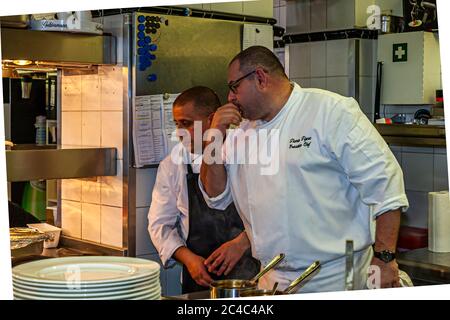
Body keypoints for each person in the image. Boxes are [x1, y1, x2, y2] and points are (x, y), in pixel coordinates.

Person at [199, 46, 409, 293]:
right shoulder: (240, 132)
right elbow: (215, 197)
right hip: (271, 277)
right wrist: (213, 137)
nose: (230, 97)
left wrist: (385, 259)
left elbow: (386, 185)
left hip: (336, 275)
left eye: (234, 87)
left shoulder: (330, 111)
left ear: (260, 77)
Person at [148, 86, 260, 294]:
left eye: (187, 123)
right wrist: (189, 260)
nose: (179, 132)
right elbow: (160, 225)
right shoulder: (173, 164)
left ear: (211, 120)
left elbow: (274, 211)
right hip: (200, 279)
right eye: (177, 124)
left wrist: (244, 241)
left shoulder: (247, 152)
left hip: (254, 277)